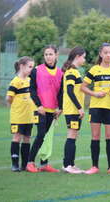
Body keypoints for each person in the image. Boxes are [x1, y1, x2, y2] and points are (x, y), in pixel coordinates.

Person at [81, 43, 110, 175]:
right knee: (95, 136)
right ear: (101, 54)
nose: (108, 55)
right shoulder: (94, 69)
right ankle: (94, 166)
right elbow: (83, 87)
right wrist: (94, 94)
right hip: (96, 107)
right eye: (105, 52)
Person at [26, 45, 63, 173]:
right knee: (41, 135)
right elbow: (31, 89)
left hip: (52, 110)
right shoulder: (36, 70)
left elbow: (60, 92)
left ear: (56, 55)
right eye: (46, 54)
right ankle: (30, 162)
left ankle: (44, 164)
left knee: (46, 137)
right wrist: (39, 105)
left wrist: (60, 107)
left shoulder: (60, 73)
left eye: (51, 54)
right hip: (39, 109)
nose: (48, 56)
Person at [6, 56, 35, 172]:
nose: (31, 69)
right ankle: (14, 164)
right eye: (30, 67)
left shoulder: (30, 81)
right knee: (17, 137)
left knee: (27, 138)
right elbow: (9, 98)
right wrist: (16, 106)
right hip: (18, 116)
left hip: (29, 116)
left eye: (32, 67)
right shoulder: (15, 81)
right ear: (21, 66)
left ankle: (24, 164)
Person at [61, 47, 86, 174]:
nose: (84, 59)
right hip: (72, 110)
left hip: (74, 110)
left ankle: (71, 163)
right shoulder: (71, 72)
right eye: (84, 57)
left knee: (74, 136)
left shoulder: (75, 71)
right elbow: (70, 91)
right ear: (77, 57)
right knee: (71, 135)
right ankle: (67, 165)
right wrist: (79, 107)